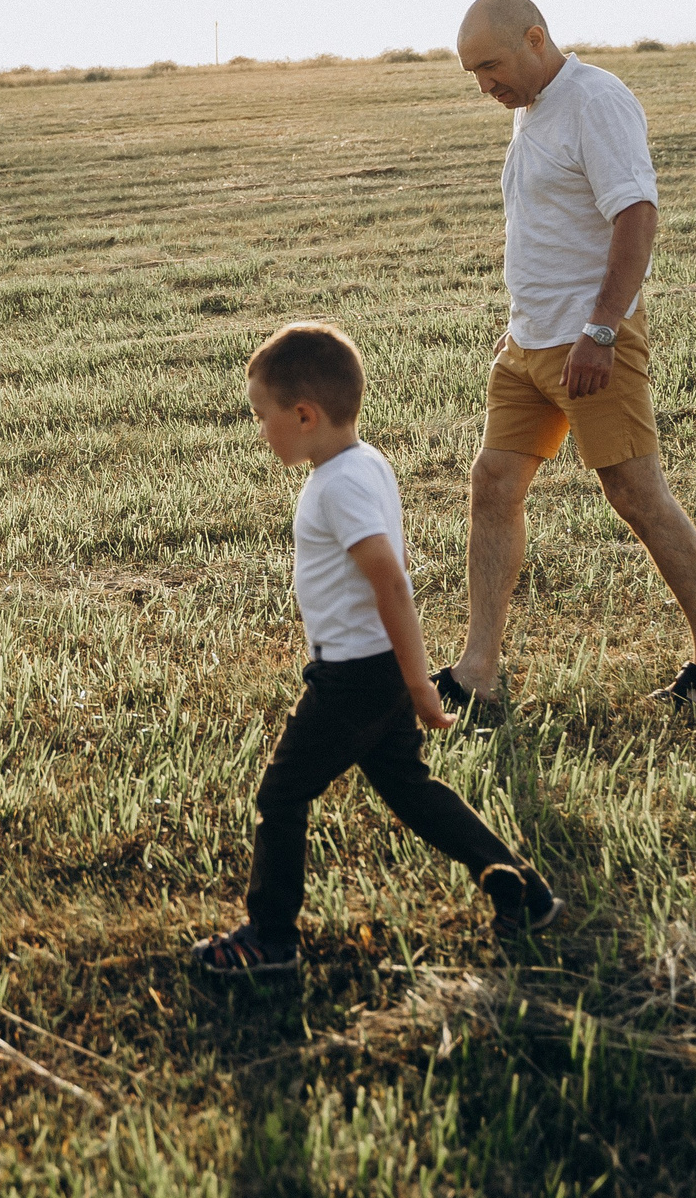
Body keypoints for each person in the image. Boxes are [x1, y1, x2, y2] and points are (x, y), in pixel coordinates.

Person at [191, 322, 556, 975]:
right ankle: (521, 891)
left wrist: (418, 683)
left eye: (261, 416)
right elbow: (393, 561)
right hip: (374, 670)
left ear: (304, 415)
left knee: (281, 794)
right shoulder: (367, 463)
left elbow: (391, 577)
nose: (259, 429)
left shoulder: (338, 485)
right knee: (412, 791)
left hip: (354, 678)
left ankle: (269, 939)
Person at [438, 0, 696, 720]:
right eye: (473, 73)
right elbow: (548, 227)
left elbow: (635, 215)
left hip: (590, 345)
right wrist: (522, 325)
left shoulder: (594, 99)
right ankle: (478, 668)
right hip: (528, 346)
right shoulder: (533, 110)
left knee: (636, 494)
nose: (485, 84)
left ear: (535, 38)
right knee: (492, 483)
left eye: (490, 65)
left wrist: (603, 328)